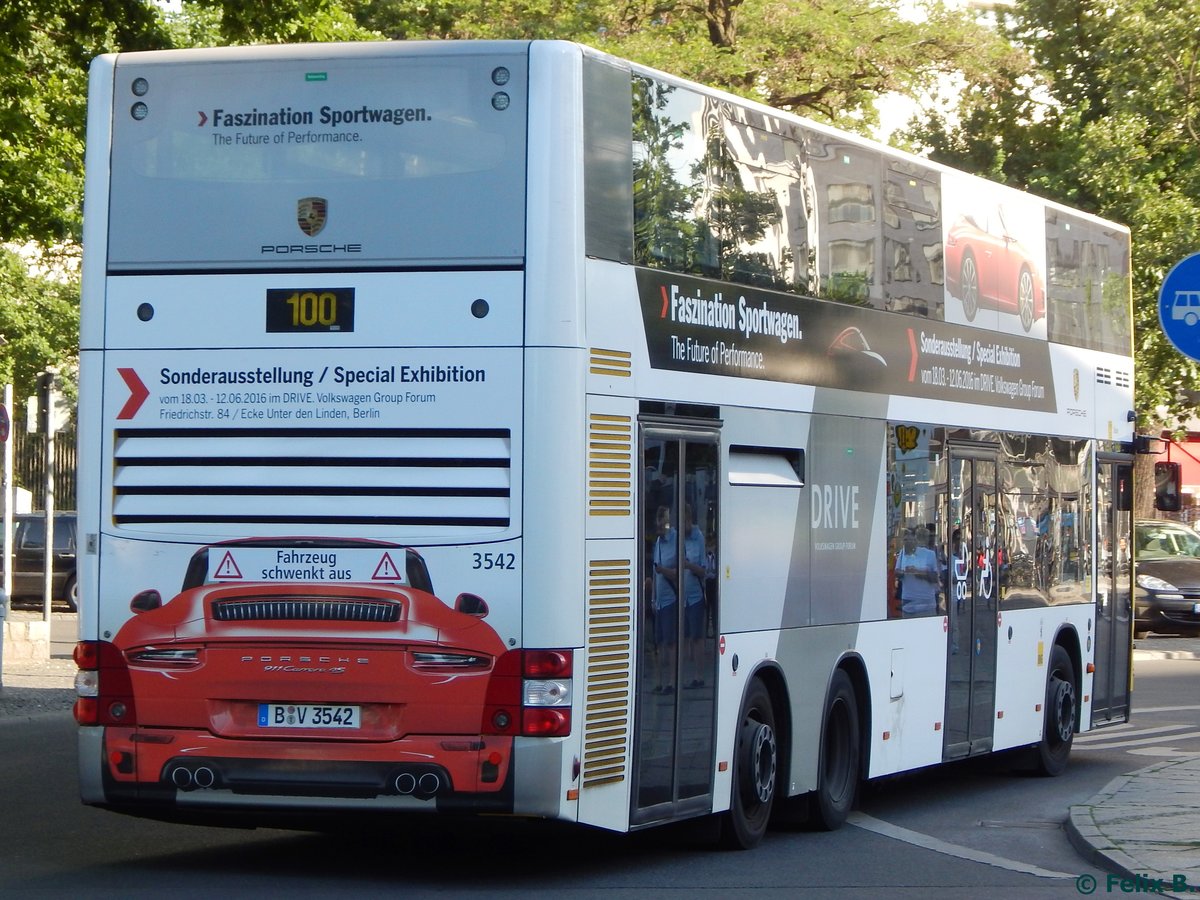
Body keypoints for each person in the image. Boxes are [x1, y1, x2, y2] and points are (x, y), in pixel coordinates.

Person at [679, 504, 708, 689]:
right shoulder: (678, 538)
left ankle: (699, 676)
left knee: (696, 638)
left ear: (690, 519)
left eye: (685, 521)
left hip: (696, 597)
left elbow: (704, 570)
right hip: (681, 597)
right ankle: (682, 677)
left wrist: (688, 565)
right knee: (683, 638)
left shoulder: (699, 538)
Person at [651, 505, 679, 694]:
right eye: (658, 522)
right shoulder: (658, 543)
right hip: (659, 602)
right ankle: (660, 681)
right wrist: (653, 599)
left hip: (671, 600)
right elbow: (655, 573)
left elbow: (678, 573)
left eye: (662, 522)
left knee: (670, 643)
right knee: (659, 643)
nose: (659, 526)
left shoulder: (675, 540)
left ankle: (671, 682)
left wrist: (664, 570)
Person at [895, 526, 938, 616]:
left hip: (926, 603)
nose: (907, 541)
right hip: (908, 602)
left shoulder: (930, 554)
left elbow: (935, 578)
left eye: (909, 539)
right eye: (905, 539)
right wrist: (903, 572)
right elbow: (897, 571)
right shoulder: (903, 553)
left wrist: (918, 572)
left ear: (915, 539)